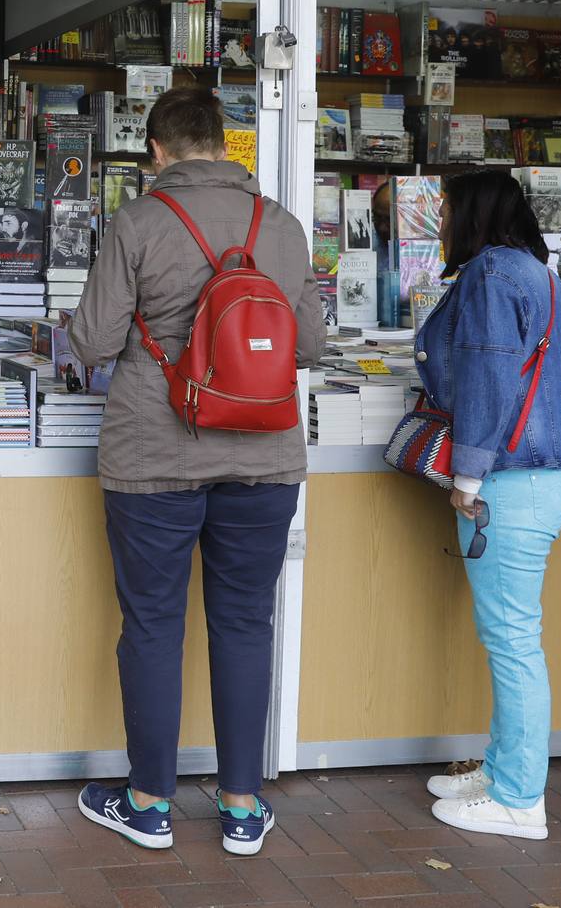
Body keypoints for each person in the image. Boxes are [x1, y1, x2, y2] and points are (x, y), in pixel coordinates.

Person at [65, 87, 324, 857]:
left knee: (151, 624)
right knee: (245, 622)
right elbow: (306, 346)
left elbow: (94, 339)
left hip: (156, 453)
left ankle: (148, 804)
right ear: (223, 145)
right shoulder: (278, 225)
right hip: (265, 454)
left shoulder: (138, 221)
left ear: (156, 150)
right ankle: (242, 808)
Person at [414, 170, 561, 840]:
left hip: (509, 483)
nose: (438, 221)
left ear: (472, 215)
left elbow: (489, 378)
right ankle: (500, 770)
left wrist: (467, 475)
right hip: (545, 473)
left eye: (446, 210)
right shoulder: (537, 275)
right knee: (510, 636)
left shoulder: (490, 275)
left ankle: (519, 800)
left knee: (513, 641)